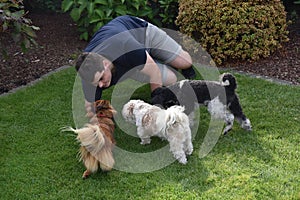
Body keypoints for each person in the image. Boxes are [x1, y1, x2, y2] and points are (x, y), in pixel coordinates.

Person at [75, 15, 196, 115]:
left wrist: (156, 107)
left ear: (105, 64)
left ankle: (159, 60)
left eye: (101, 78)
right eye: (97, 83)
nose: (101, 85)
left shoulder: (125, 46)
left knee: (184, 62)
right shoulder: (89, 72)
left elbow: (154, 72)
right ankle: (149, 61)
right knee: (171, 79)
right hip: (133, 63)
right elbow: (90, 107)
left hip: (143, 34)